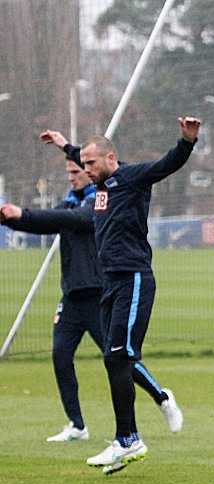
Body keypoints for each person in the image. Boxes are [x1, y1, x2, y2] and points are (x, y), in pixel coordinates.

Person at [41, 116, 202, 474]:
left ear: (111, 158)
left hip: (134, 278)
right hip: (110, 281)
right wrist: (64, 144)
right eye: (82, 164)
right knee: (114, 358)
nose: (85, 170)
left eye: (90, 164)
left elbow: (167, 165)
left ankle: (129, 438)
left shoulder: (131, 177)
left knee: (119, 356)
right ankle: (128, 437)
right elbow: (83, 154)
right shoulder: (99, 184)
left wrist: (186, 142)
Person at [0, 155, 182, 441]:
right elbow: (49, 222)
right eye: (72, 171)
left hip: (99, 295)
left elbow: (70, 219)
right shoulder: (71, 202)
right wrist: (13, 221)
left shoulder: (99, 200)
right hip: (72, 297)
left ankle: (161, 397)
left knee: (120, 360)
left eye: (79, 170)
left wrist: (21, 213)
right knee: (61, 355)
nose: (75, 175)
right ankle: (77, 425)